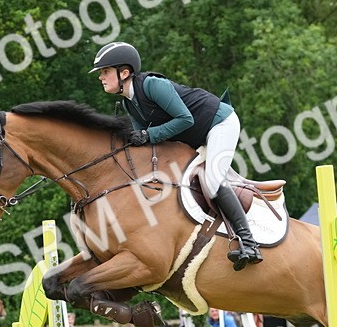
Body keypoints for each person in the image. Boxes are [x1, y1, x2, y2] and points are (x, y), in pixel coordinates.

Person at [91, 41, 261, 270]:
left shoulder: (152, 85)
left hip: (219, 123)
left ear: (124, 72)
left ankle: (250, 244)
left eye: (105, 72)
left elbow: (185, 119)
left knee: (213, 181)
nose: (101, 77)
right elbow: (148, 142)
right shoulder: (130, 104)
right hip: (197, 135)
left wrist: (148, 134)